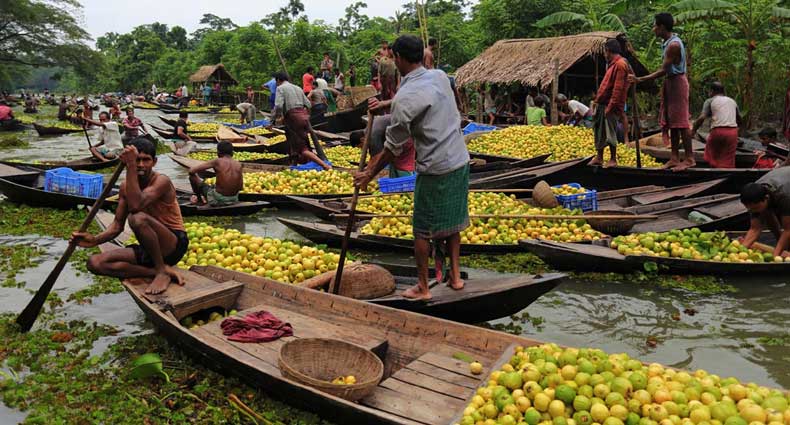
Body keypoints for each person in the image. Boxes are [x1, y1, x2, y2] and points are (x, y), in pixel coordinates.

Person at [354, 35, 470, 300]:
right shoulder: (440, 76)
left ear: (398, 58)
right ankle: (454, 278)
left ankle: (423, 287)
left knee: (422, 230)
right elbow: (420, 99)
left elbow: (392, 147)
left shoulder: (406, 96)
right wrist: (385, 105)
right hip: (459, 159)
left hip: (436, 167)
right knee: (453, 223)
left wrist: (369, 174)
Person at [72, 138, 187, 295]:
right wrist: (94, 240)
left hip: (172, 244)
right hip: (150, 247)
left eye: (146, 160)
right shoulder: (126, 187)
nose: (140, 165)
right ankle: (157, 271)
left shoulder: (162, 181)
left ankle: (161, 270)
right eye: (137, 160)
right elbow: (117, 225)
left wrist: (131, 164)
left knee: (136, 218)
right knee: (95, 262)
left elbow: (136, 205)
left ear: (154, 162)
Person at [631, 13, 694, 171]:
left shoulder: (673, 45)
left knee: (682, 123)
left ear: (662, 27)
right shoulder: (667, 42)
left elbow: (663, 70)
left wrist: (641, 79)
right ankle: (674, 157)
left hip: (678, 83)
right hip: (671, 83)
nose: (654, 29)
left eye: (655, 26)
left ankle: (689, 158)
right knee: (673, 122)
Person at [269, 72, 331, 170]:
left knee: (302, 148)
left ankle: (324, 165)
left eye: (276, 81)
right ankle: (293, 166)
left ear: (278, 80)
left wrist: (273, 121)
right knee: (296, 144)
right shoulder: (297, 88)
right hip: (303, 118)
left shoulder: (280, 88)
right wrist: (306, 115)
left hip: (293, 119)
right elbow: (308, 104)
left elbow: (279, 106)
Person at [591, 39, 631, 167]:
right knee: (600, 131)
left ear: (609, 51)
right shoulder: (612, 64)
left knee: (610, 133)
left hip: (610, 105)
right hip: (603, 103)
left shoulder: (620, 65)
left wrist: (611, 106)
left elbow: (617, 89)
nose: (604, 54)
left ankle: (613, 159)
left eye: (605, 51)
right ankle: (599, 157)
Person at [739, 167, 790, 258]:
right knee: (764, 212)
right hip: (780, 181)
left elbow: (788, 230)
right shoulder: (754, 193)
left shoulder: (784, 197)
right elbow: (755, 229)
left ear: (766, 198)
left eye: (756, 207)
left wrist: (775, 257)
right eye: (750, 209)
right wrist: (740, 251)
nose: (753, 210)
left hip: (786, 188)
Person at [690, 82, 741, 169]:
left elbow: (702, 118)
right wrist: (737, 132)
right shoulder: (732, 101)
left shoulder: (710, 100)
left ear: (712, 91)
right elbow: (739, 119)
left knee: (712, 154)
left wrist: (693, 131)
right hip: (732, 132)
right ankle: (726, 174)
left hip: (718, 131)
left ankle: (714, 171)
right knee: (727, 158)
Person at [349, 115, 415, 178]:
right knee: (392, 159)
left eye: (360, 146)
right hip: (396, 138)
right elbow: (373, 157)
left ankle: (409, 183)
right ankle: (395, 183)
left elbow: (377, 157)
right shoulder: (368, 132)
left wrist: (366, 173)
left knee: (403, 164)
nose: (361, 149)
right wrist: (368, 168)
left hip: (404, 137)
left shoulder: (372, 136)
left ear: (362, 139)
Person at [188, 141, 243, 206]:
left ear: (218, 152)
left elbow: (191, 171)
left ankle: (200, 201)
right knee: (213, 186)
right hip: (234, 199)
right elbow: (240, 187)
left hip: (218, 200)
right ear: (232, 152)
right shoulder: (238, 164)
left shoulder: (217, 161)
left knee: (192, 177)